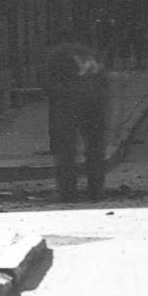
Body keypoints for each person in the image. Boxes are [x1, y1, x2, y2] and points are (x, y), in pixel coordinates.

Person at [46, 39, 110, 202]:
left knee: (66, 149)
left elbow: (49, 83)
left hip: (68, 106)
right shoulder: (92, 54)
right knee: (95, 148)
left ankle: (68, 192)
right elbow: (104, 81)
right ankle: (96, 190)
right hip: (96, 105)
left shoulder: (57, 54)